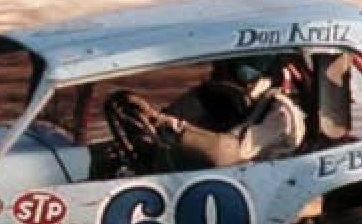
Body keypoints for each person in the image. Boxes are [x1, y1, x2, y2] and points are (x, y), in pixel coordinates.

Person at [106, 54, 307, 173]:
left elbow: (228, 153)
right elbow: (174, 118)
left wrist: (173, 128)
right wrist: (152, 120)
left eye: (237, 70)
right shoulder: (223, 101)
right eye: (220, 65)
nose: (220, 72)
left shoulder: (281, 113)